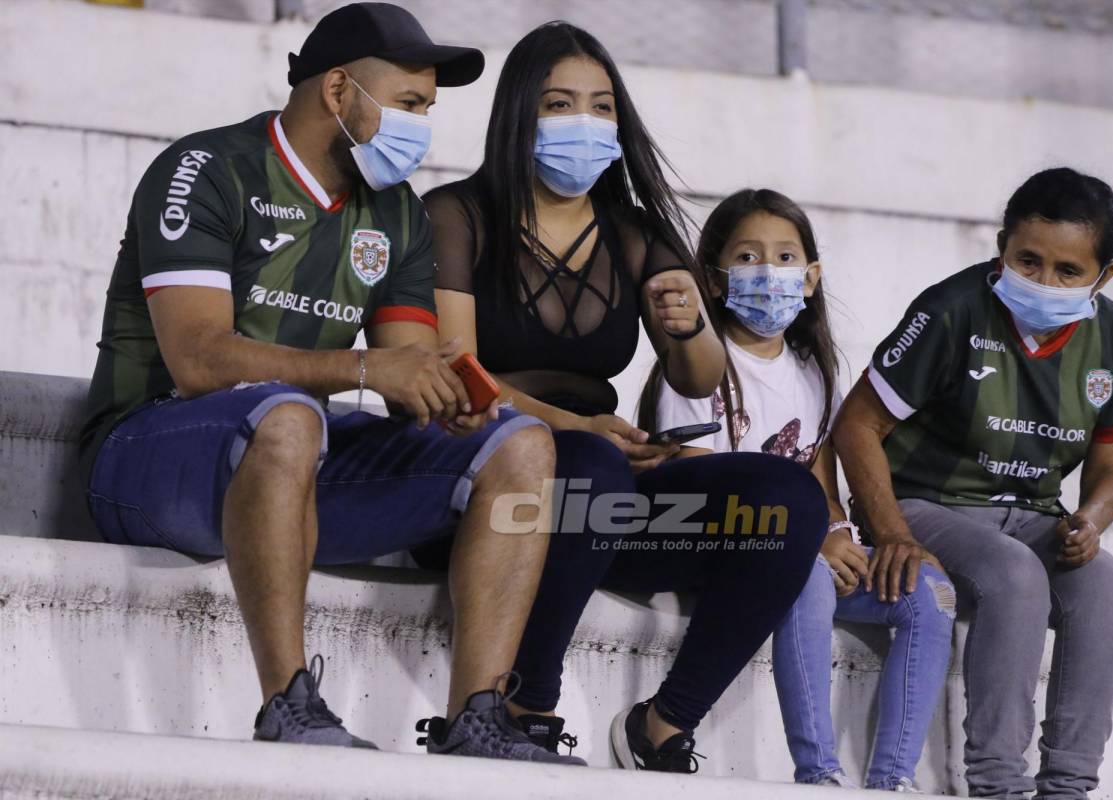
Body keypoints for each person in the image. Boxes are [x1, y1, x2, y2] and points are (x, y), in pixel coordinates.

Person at [78, 2, 584, 765]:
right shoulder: (207, 168)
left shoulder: (398, 214)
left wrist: (461, 407)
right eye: (410, 105)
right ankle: (288, 702)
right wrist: (361, 369)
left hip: (288, 473)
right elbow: (198, 361)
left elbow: (414, 366)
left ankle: (478, 718)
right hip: (147, 459)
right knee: (286, 418)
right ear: (340, 91)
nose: (422, 125)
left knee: (521, 452)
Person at [421, 22, 828, 773]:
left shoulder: (634, 231)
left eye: (603, 106)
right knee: (589, 467)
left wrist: (689, 321)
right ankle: (526, 702)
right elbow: (459, 378)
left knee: (788, 501)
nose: (586, 123)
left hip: (602, 514)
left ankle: (665, 721)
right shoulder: (458, 215)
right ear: (520, 114)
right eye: (561, 104)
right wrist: (577, 427)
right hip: (496, 498)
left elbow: (699, 377)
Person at [833, 167, 1113, 798]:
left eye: (1067, 271)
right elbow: (857, 425)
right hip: (924, 505)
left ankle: (1069, 786)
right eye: (1027, 260)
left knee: (1104, 583)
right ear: (1002, 247)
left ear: (1102, 276)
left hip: (1030, 514)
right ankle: (998, 785)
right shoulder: (953, 308)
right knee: (1013, 573)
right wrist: (890, 532)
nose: (1043, 281)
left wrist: (1091, 520)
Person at [643, 188, 955, 792]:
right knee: (804, 571)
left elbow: (820, 479)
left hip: (798, 548)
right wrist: (808, 543)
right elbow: (688, 489)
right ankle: (818, 773)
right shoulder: (694, 364)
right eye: (749, 257)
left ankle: (893, 779)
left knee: (929, 592)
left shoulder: (814, 372)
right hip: (721, 551)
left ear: (811, 277)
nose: (769, 272)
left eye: (786, 258)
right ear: (713, 278)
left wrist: (836, 530)